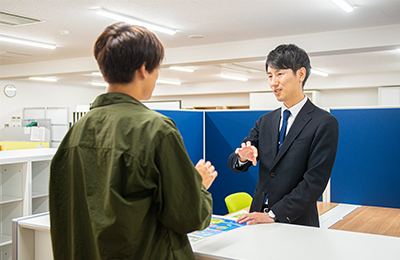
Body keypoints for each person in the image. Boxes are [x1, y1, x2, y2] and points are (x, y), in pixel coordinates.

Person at [49, 22, 217, 260]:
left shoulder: (74, 133)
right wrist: (197, 185)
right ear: (143, 68)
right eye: (157, 69)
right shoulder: (157, 129)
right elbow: (188, 216)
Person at [228, 44, 339, 227]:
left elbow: (314, 182)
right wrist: (241, 157)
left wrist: (273, 215)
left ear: (301, 74)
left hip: (296, 222)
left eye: (280, 74)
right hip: (256, 219)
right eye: (270, 76)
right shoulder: (265, 121)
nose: (273, 82)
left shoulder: (324, 122)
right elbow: (235, 163)